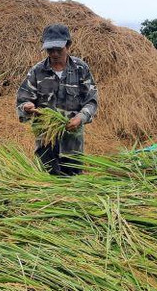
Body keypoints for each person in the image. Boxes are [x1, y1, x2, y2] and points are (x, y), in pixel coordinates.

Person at [16, 23, 98, 176]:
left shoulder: (81, 69)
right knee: (47, 185)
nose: (54, 54)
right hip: (46, 141)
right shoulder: (37, 71)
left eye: (58, 50)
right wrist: (26, 106)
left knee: (74, 185)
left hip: (72, 144)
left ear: (68, 45)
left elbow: (91, 101)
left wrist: (80, 117)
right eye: (49, 50)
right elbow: (23, 99)